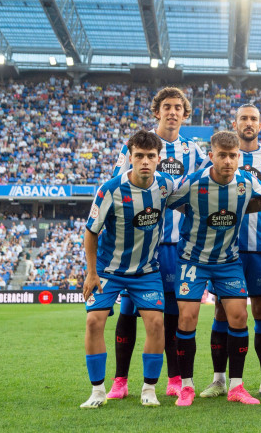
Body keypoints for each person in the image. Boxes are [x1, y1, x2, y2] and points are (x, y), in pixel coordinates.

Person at [107, 87, 209, 400]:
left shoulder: (194, 151)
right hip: (139, 244)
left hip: (178, 243)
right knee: (128, 311)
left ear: (185, 113)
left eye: (179, 107)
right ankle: (120, 381)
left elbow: (204, 186)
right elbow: (117, 187)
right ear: (157, 111)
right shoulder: (138, 144)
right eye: (167, 106)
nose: (173, 112)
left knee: (172, 314)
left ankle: (175, 378)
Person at [168, 131, 261, 407]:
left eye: (233, 155)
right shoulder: (193, 182)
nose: (228, 161)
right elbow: (166, 200)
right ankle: (186, 386)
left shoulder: (247, 181)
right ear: (211, 156)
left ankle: (236, 387)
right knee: (187, 318)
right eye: (222, 155)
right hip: (193, 260)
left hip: (228, 261)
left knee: (239, 316)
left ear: (239, 156)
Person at [199, 104, 261, 399]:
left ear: (260, 125)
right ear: (234, 124)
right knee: (223, 312)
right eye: (243, 119)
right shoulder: (216, 157)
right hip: (226, 250)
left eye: (253, 119)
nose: (248, 123)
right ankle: (219, 379)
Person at [80, 130, 174, 408]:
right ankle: (97, 391)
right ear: (130, 158)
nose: (145, 161)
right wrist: (91, 272)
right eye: (139, 156)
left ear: (159, 159)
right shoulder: (110, 189)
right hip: (109, 271)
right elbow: (90, 231)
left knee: (157, 324)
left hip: (146, 271)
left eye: (150, 156)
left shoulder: (167, 185)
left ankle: (149, 389)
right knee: (94, 321)